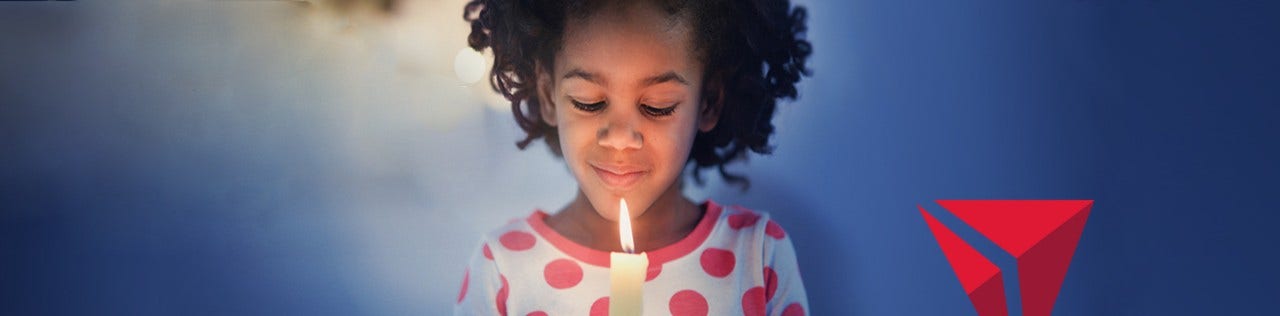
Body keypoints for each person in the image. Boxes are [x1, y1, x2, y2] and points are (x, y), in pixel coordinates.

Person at [455, 0, 812, 314]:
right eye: (588, 102)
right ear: (549, 96)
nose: (621, 138)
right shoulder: (504, 271)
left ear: (709, 101)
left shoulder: (757, 258)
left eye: (658, 107)